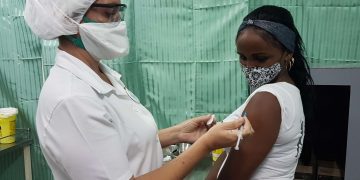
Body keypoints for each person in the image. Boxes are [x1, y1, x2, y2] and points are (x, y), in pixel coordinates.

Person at [24, 0, 254, 180]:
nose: (119, 22)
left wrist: (177, 134)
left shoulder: (100, 74)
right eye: (108, 13)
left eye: (119, 11)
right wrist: (206, 144)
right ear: (69, 20)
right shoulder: (71, 99)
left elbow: (115, 144)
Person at [207, 5, 314, 180]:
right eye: (243, 57)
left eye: (260, 58)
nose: (249, 67)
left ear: (287, 54)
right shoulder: (290, 90)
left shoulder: (268, 99)